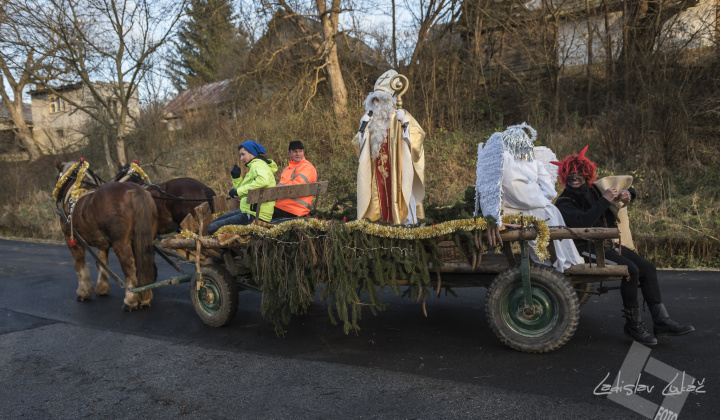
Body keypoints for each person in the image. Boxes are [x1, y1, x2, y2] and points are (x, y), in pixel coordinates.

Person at [554, 146, 694, 345]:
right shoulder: (564, 201)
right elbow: (582, 222)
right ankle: (633, 325)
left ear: (587, 174)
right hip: (585, 249)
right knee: (631, 270)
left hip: (607, 244)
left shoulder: (594, 189)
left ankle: (661, 321)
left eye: (579, 174)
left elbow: (624, 189)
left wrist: (628, 194)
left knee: (648, 269)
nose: (574, 178)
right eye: (570, 175)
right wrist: (604, 201)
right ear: (564, 176)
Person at [474, 123, 583, 272]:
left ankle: (554, 259)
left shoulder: (508, 161)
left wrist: (536, 200)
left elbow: (534, 191)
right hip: (519, 207)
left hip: (517, 205)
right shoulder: (512, 161)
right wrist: (538, 199)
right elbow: (521, 189)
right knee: (548, 212)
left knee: (550, 211)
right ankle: (555, 259)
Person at [352, 69, 426, 225]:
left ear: (387, 101)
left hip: (398, 170)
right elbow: (357, 145)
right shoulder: (370, 121)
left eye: (380, 100)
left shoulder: (400, 115)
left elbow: (418, 136)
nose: (376, 103)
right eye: (374, 100)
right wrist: (363, 130)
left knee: (402, 193)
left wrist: (405, 125)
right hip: (377, 173)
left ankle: (406, 225)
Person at [208, 140, 278, 235]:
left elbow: (263, 181)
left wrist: (238, 191)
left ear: (252, 153)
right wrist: (236, 178)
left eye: (243, 154)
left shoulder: (257, 165)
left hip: (255, 215)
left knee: (212, 228)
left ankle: (225, 249)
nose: (241, 158)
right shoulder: (257, 166)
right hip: (249, 211)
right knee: (216, 221)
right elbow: (245, 191)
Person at [273, 140, 318, 219]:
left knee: (259, 212)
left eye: (300, 151)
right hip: (282, 207)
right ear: (289, 153)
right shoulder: (287, 169)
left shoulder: (307, 167)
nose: (298, 154)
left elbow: (297, 186)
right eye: (295, 151)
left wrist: (275, 190)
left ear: (303, 152)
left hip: (296, 209)